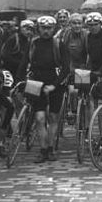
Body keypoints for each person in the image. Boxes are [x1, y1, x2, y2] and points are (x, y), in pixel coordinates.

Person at [17, 16, 68, 163]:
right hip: (36, 82)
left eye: (49, 28)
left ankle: (51, 148)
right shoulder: (33, 44)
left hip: (55, 83)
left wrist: (55, 85)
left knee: (52, 117)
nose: (46, 31)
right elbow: (24, 62)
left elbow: (66, 68)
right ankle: (43, 149)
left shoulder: (60, 44)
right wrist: (19, 81)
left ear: (54, 29)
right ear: (38, 28)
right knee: (39, 118)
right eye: (43, 28)